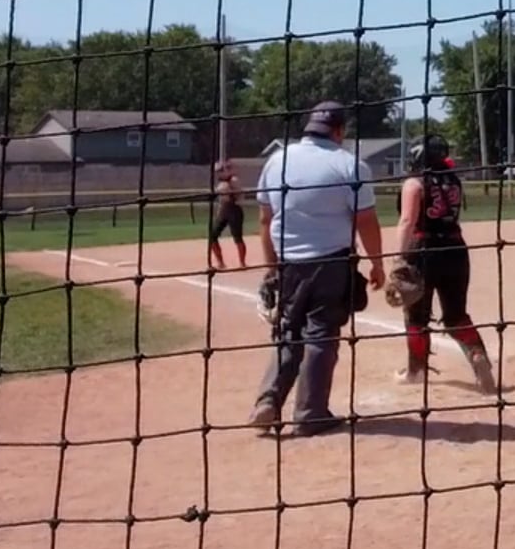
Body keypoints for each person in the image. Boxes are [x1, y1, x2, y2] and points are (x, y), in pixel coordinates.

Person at [249, 102, 387, 438]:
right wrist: (377, 263)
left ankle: (268, 399)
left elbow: (265, 220)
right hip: (331, 263)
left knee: (288, 332)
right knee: (321, 335)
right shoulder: (349, 164)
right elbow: (366, 221)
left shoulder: (277, 161)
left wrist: (272, 270)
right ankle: (310, 413)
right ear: (339, 130)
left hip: (288, 263)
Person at [392, 134, 495, 393]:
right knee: (456, 315)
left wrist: (399, 258)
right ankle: (477, 356)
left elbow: (407, 221)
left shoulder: (414, 183)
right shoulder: (453, 180)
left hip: (423, 250)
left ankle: (415, 371)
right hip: (455, 249)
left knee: (416, 316)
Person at [207, 161, 248, 270]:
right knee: (212, 236)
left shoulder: (233, 180)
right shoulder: (221, 184)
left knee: (237, 237)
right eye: (217, 172)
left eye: (221, 171)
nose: (218, 174)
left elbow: (238, 194)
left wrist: (228, 186)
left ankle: (242, 263)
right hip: (224, 210)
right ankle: (220, 263)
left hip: (234, 209)